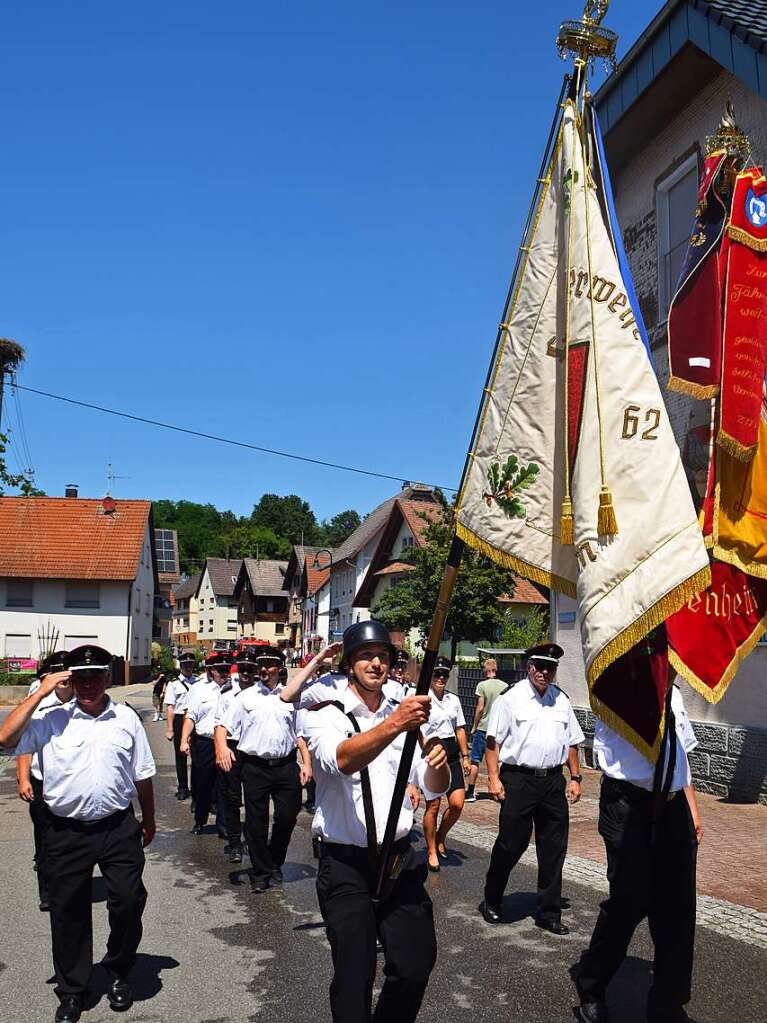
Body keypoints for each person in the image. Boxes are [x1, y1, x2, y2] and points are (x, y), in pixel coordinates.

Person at [303, 619, 450, 1023]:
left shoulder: (405, 713)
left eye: (382, 656)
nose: (375, 663)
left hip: (400, 861)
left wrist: (439, 764)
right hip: (346, 864)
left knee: (415, 963)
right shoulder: (324, 712)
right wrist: (395, 724)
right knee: (355, 976)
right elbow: (342, 758)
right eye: (366, 656)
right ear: (349, 664)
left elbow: (432, 784)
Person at [11, 645, 156, 1023]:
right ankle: (73, 990)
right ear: (70, 680)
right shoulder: (50, 719)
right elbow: (5, 738)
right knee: (68, 911)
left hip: (117, 826)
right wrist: (41, 691)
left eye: (96, 676)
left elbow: (142, 773)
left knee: (127, 899)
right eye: (81, 677)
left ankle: (119, 969)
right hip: (65, 831)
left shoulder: (126, 719)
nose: (89, 684)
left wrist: (150, 818)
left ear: (109, 677)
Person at [571, 676, 701, 1023]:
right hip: (629, 805)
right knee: (629, 903)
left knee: (678, 910)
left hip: (673, 808)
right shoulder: (619, 684)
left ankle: (668, 1003)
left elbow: (680, 756)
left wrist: (692, 811)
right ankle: (591, 986)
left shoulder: (673, 693)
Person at [481, 642, 584, 934]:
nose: (545, 672)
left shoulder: (561, 700)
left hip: (552, 781)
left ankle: (548, 912)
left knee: (554, 847)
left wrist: (575, 777)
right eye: (539, 666)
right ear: (529, 667)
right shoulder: (510, 699)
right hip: (518, 779)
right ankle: (492, 897)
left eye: (550, 668)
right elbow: (493, 742)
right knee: (512, 843)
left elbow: (572, 742)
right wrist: (493, 778)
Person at [220, 646, 310, 892]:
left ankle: (274, 861)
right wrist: (221, 748)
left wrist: (307, 764)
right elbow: (223, 726)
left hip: (285, 767)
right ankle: (261, 873)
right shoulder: (245, 697)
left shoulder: (291, 697)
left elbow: (299, 734)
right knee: (256, 822)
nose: (263, 669)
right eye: (261, 664)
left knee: (286, 817)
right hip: (255, 767)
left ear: (280, 668)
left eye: (269, 664)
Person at [8, 652, 72, 912]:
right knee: (46, 841)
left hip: (71, 786)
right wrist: (23, 778)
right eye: (60, 674)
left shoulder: (86, 705)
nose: (65, 680)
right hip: (42, 783)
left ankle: (69, 884)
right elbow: (23, 745)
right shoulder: (40, 706)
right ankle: (47, 891)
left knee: (70, 841)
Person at [420, 655, 469, 872]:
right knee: (433, 805)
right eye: (437, 674)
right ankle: (431, 849)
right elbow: (417, 729)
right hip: (431, 754)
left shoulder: (454, 700)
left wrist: (466, 756)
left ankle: (441, 835)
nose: (441, 677)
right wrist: (425, 750)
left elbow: (459, 728)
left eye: (444, 674)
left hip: (451, 753)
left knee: (457, 804)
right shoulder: (423, 698)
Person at [214, 650, 258, 864]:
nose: (246, 673)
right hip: (231, 747)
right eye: (242, 669)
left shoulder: (262, 695)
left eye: (250, 669)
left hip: (251, 749)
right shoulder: (226, 694)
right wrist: (219, 749)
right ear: (237, 670)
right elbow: (218, 725)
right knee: (232, 799)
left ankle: (251, 840)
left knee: (253, 799)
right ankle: (234, 843)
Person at [181, 651, 231, 836]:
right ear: (211, 671)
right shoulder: (198, 689)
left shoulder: (235, 690)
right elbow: (191, 716)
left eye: (227, 669)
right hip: (204, 743)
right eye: (220, 670)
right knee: (203, 784)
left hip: (227, 744)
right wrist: (184, 739)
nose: (224, 673)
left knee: (225, 785)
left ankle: (223, 826)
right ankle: (200, 820)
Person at [466, 657, 508, 802]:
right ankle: (499, 790)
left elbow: (480, 708)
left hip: (484, 727)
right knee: (498, 761)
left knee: (475, 760)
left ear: (486, 669)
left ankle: (470, 792)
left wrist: (474, 726)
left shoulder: (482, 685)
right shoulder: (505, 686)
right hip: (498, 729)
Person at [163, 652, 199, 799]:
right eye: (185, 665)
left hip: (196, 719)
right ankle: (183, 787)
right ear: (181, 666)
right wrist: (170, 728)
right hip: (179, 719)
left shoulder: (199, 682)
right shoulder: (174, 684)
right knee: (181, 756)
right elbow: (170, 707)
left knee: (197, 756)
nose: (188, 667)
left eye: (190, 664)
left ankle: (197, 789)